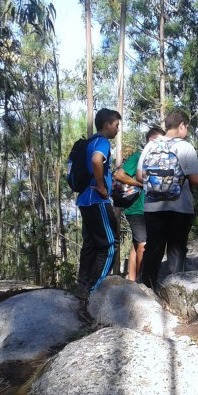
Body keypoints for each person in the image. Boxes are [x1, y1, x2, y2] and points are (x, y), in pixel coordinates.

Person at [136, 109, 198, 290]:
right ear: (181, 125)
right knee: (176, 249)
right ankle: (175, 292)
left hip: (152, 206)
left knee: (153, 248)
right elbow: (196, 179)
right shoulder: (185, 147)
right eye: (186, 127)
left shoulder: (150, 146)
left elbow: (140, 176)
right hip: (180, 208)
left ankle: (147, 290)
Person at [74, 108, 121, 324]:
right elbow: (96, 161)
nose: (118, 129)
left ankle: (81, 286)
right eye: (116, 125)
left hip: (85, 200)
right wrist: (102, 187)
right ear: (108, 124)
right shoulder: (102, 141)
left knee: (91, 245)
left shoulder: (90, 140)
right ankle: (93, 290)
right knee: (110, 245)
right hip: (97, 200)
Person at [113, 126, 164, 281]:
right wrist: (139, 184)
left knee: (137, 244)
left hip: (148, 208)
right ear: (151, 140)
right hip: (136, 208)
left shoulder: (159, 160)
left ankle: (132, 280)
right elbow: (119, 174)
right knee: (143, 244)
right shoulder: (138, 156)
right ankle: (143, 281)